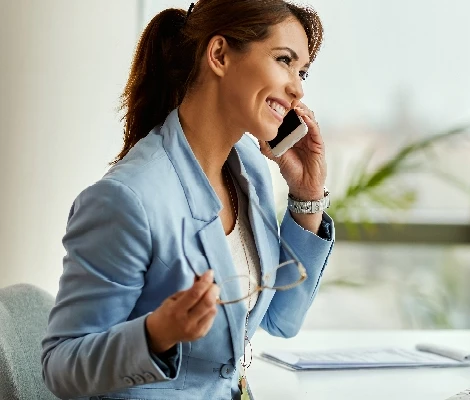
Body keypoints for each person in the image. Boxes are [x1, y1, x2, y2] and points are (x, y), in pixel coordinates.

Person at [40, 1, 334, 399]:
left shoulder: (249, 169)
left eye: (302, 72)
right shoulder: (127, 200)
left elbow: (282, 319)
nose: (297, 87)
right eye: (284, 60)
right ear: (219, 55)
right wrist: (155, 334)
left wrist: (307, 196)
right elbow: (62, 367)